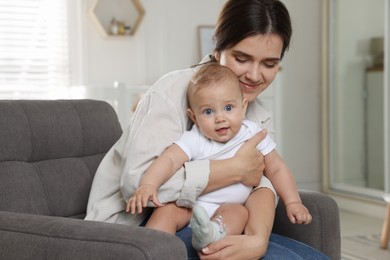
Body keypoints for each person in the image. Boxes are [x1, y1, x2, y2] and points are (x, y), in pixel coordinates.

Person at [85, 0, 330, 259]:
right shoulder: (172, 91)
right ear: (217, 49)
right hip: (141, 224)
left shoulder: (255, 112)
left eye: (269, 64)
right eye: (242, 58)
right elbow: (137, 184)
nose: (255, 75)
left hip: (220, 220)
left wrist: (258, 238)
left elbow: (264, 181)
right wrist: (233, 170)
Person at [126, 63, 312, 251]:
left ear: (243, 107)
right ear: (194, 116)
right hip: (191, 205)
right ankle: (151, 248)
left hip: (228, 206)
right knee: (166, 211)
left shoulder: (252, 133)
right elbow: (169, 160)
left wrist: (293, 201)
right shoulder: (195, 137)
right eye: (208, 111)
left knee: (239, 213)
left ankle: (211, 234)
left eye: (229, 108)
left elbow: (277, 168)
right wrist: (149, 184)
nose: (220, 118)